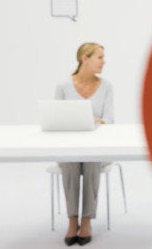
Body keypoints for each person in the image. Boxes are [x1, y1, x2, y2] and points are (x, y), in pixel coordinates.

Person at [55, 42, 114, 246]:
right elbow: (56, 120)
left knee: (90, 159)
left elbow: (110, 121)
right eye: (99, 57)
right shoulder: (63, 87)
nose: (103, 62)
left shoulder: (106, 86)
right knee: (71, 160)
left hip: (96, 148)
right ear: (84, 59)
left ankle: (86, 219)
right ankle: (73, 220)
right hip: (69, 147)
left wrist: (96, 121)